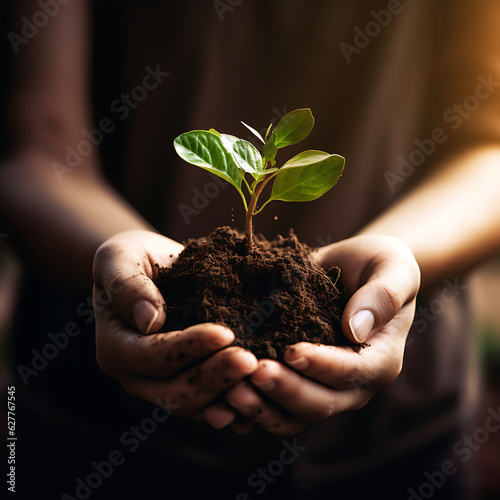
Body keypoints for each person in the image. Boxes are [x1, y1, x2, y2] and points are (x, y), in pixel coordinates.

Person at [1, 1, 500, 498]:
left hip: (399, 435)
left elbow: (489, 148)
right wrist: (119, 268)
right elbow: (35, 151)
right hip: (97, 420)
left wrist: (396, 258)